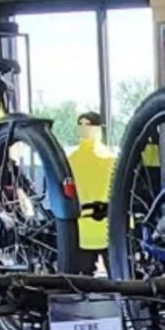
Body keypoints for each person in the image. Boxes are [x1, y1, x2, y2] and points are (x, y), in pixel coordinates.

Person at [66, 109, 116, 255]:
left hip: (83, 226)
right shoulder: (112, 159)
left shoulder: (70, 161)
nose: (83, 128)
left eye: (87, 124)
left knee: (83, 276)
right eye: (80, 124)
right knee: (119, 273)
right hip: (108, 225)